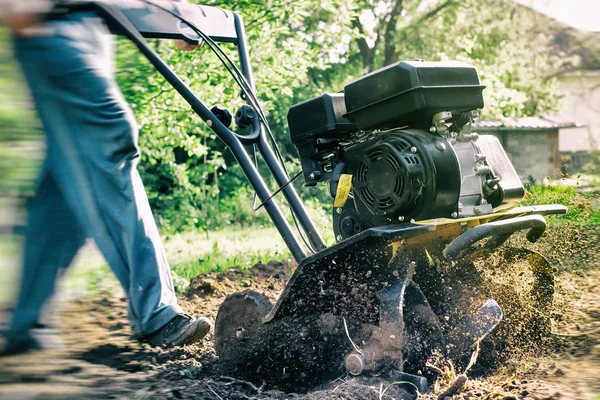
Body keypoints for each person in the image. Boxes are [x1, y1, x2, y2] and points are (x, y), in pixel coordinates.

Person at [0, 0, 211, 355]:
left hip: (94, 29)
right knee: (111, 139)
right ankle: (156, 315)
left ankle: (27, 320)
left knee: (62, 194)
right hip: (53, 27)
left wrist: (175, 14)